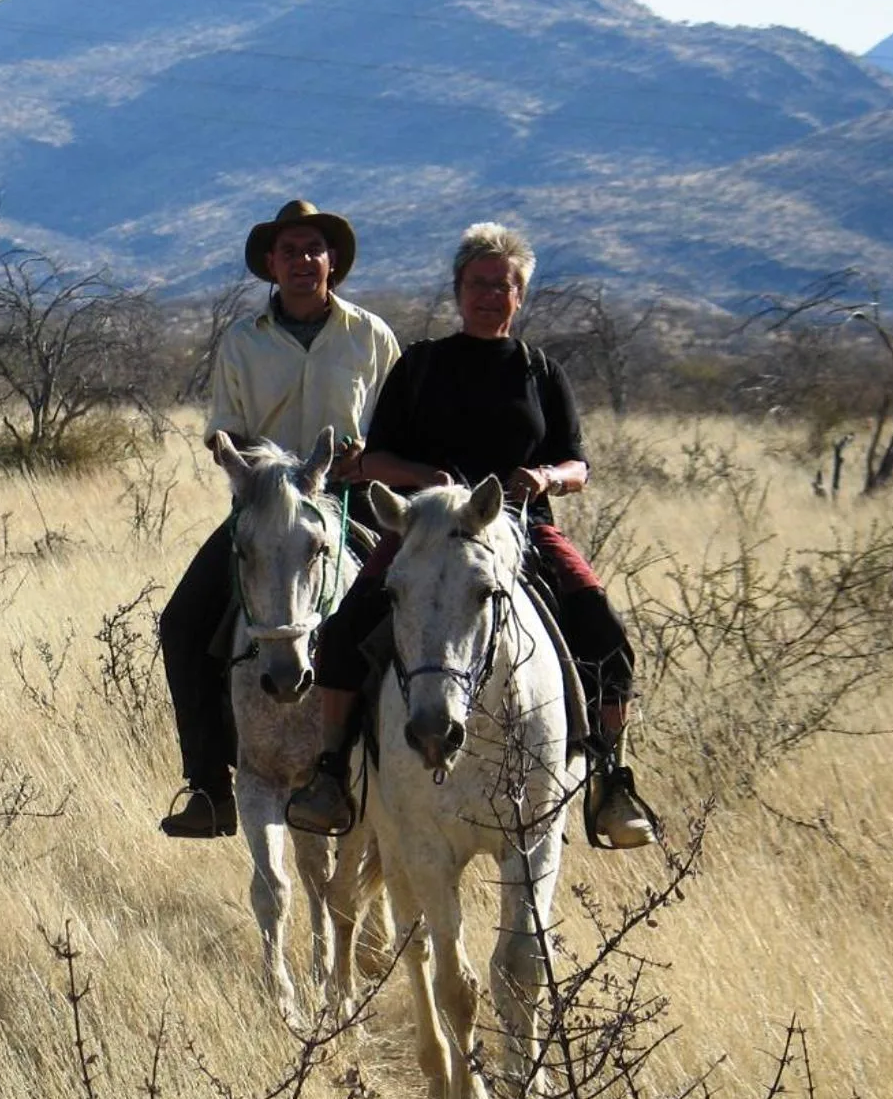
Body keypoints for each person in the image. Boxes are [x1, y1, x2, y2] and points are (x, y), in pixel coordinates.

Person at [284, 221, 657, 849]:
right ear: (459, 290)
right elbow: (371, 461)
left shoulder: (542, 372)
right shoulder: (422, 365)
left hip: (522, 528)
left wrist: (545, 477)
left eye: (503, 286)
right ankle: (330, 776)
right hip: (423, 531)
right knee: (346, 631)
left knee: (604, 635)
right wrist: (423, 479)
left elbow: (578, 464)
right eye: (479, 283)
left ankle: (610, 781)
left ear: (520, 295)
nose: (490, 295)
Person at [156, 199, 401, 838]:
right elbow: (221, 432)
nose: (301, 261)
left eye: (313, 250)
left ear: (332, 262)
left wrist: (366, 459)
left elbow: (399, 423)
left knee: (412, 613)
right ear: (271, 263)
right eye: (289, 251)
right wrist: (246, 462)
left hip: (347, 504)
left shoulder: (370, 337)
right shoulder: (242, 340)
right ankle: (210, 787)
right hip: (263, 512)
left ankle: (411, 764)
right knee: (182, 622)